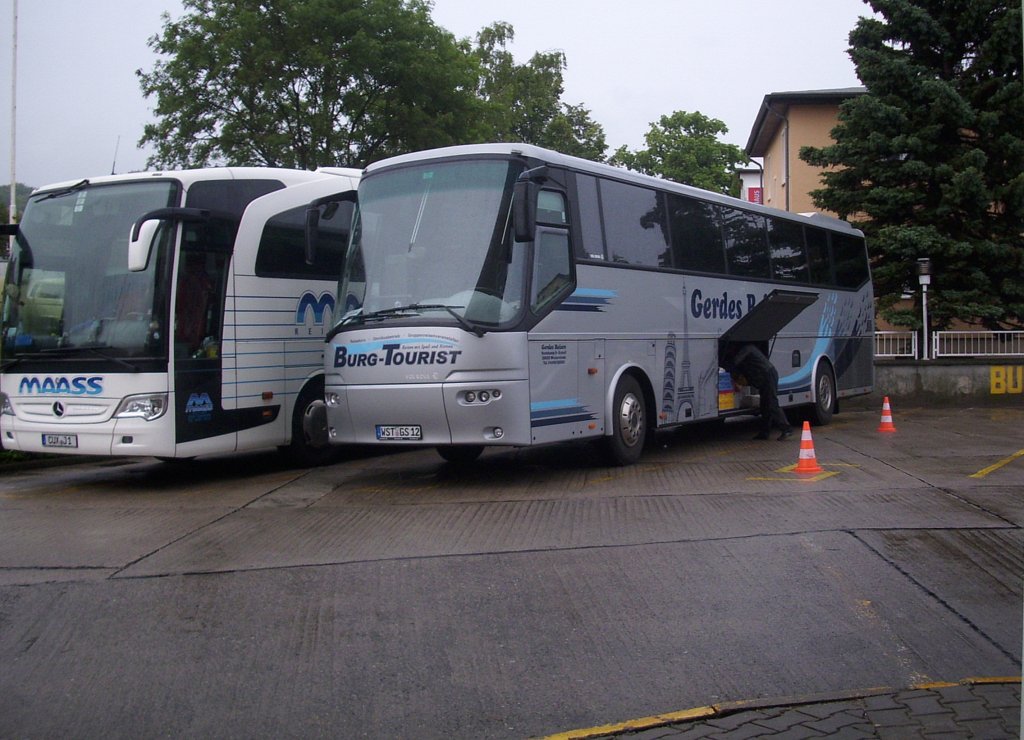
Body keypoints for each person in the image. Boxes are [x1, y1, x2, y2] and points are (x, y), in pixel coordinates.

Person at [722, 342, 794, 441]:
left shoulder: (747, 349)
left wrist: (725, 368)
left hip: (768, 376)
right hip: (766, 376)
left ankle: (786, 428)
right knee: (764, 405)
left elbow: (735, 363)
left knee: (772, 403)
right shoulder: (748, 349)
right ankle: (764, 432)